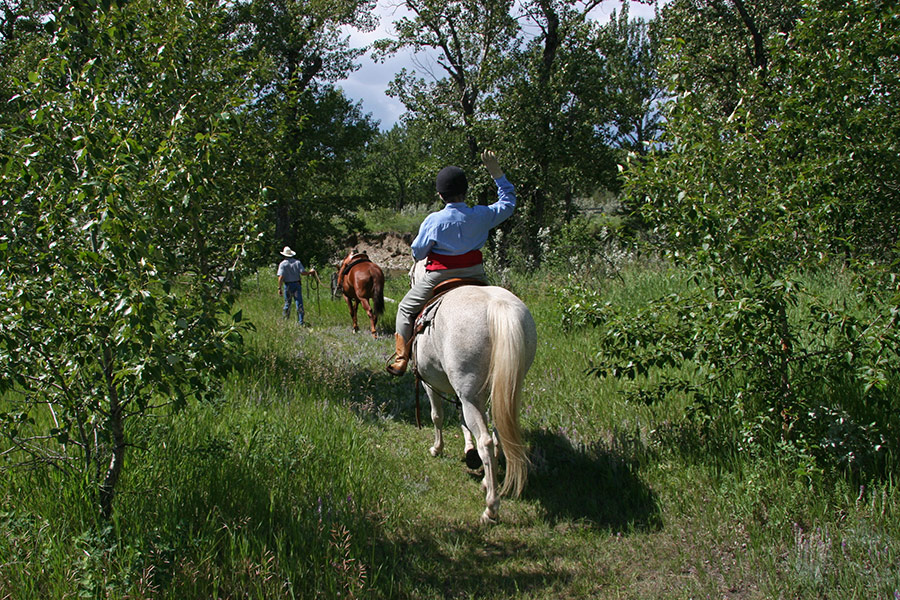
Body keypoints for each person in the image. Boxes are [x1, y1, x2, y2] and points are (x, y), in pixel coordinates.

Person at [386, 149, 515, 376]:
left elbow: (418, 251)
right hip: (476, 276)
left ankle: (401, 358)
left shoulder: (434, 221)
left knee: (405, 309)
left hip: (440, 276)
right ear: (465, 191)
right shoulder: (482, 214)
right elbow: (508, 203)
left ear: (440, 195)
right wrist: (497, 175)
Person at [277, 246, 316, 325]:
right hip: (297, 285)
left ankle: (285, 320)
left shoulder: (282, 264)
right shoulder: (297, 262)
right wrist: (310, 272)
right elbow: (302, 272)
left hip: (288, 285)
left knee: (287, 303)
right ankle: (301, 321)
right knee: (299, 303)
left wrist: (279, 288)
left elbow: (281, 277)